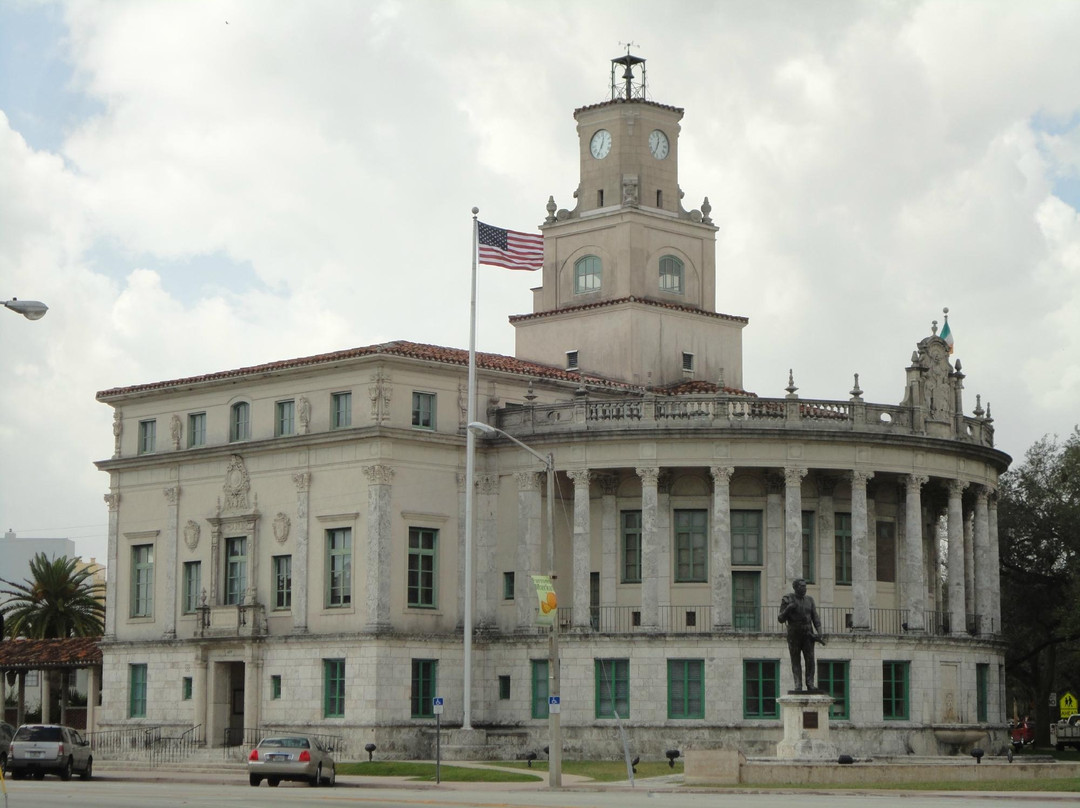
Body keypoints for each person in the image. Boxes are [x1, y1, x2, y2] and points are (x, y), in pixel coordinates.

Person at [778, 578, 824, 692]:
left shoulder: (810, 600)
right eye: (801, 586)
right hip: (794, 633)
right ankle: (798, 685)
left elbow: (815, 617)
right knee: (795, 659)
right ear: (795, 587)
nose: (804, 589)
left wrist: (819, 632)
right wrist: (788, 608)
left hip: (808, 633)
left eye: (805, 586)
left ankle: (810, 684)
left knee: (810, 659)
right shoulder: (787, 599)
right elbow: (780, 619)